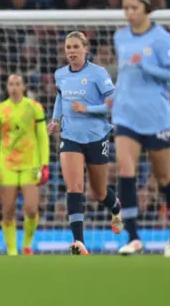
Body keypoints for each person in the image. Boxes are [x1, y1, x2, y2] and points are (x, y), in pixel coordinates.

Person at [111, 0, 170, 257]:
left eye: (134, 7)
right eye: (125, 8)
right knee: (125, 171)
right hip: (125, 114)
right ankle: (133, 236)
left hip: (155, 116)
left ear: (147, 7)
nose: (129, 13)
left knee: (164, 177)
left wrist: (147, 65)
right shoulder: (120, 37)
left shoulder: (162, 38)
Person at [48, 31, 123, 256]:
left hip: (96, 137)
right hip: (70, 137)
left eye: (75, 47)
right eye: (68, 47)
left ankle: (116, 207)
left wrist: (87, 109)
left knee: (99, 192)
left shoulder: (98, 74)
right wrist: (55, 119)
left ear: (85, 49)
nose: (71, 51)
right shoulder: (60, 74)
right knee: (74, 187)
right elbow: (61, 98)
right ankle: (79, 242)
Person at [0, 74, 49, 256]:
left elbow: (43, 137)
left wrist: (45, 164)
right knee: (8, 209)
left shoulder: (34, 108)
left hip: (31, 164)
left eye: (17, 84)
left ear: (24, 87)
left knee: (31, 208)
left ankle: (27, 245)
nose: (13, 87)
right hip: (6, 164)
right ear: (7, 88)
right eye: (10, 84)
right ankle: (12, 252)